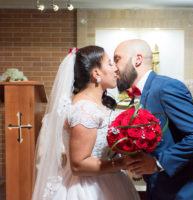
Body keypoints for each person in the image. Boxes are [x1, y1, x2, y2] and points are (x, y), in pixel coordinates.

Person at [114, 39, 193, 200]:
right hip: (160, 189)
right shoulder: (136, 97)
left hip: (188, 191)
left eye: (117, 59)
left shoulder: (166, 87)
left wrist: (158, 163)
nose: (114, 68)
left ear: (137, 59)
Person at [32, 45, 140, 200]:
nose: (116, 68)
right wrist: (121, 163)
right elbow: (78, 165)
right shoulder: (85, 109)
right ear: (96, 73)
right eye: (110, 63)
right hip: (88, 189)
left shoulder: (93, 104)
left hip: (105, 180)